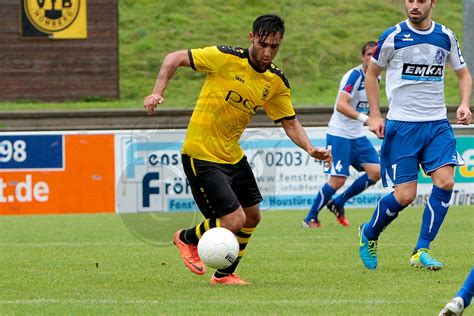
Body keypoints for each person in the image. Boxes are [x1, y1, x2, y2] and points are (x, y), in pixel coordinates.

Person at [144, 14, 331, 284]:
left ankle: (224, 274)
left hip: (232, 154)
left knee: (252, 216)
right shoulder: (224, 57)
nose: (267, 52)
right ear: (251, 37)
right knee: (233, 219)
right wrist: (157, 91)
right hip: (201, 152)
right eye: (263, 44)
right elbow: (174, 58)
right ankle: (185, 238)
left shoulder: (275, 82)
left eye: (274, 47)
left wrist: (311, 149)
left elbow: (290, 123)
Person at [359, 0, 472, 270]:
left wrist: (465, 103)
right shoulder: (392, 36)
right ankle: (369, 232)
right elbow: (372, 75)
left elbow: (464, 74)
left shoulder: (445, 36)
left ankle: (422, 248)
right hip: (403, 127)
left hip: (436, 125)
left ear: (432, 3)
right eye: (410, 0)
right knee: (405, 197)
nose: (414, 5)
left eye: (421, 0)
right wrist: (375, 115)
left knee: (445, 182)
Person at [303, 41, 381, 228]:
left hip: (357, 135)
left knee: (377, 172)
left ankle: (338, 202)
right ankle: (310, 218)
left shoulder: (376, 79)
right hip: (339, 134)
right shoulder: (354, 76)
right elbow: (341, 105)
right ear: (363, 57)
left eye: (375, 54)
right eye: (368, 54)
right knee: (337, 180)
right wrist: (366, 119)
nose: (371, 57)